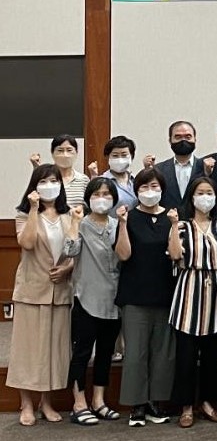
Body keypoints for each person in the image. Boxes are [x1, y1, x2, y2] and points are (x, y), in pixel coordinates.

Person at [7, 164, 75, 426]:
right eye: (44, 181)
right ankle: (25, 403)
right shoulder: (23, 215)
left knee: (53, 351)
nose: (50, 186)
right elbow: (27, 242)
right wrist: (34, 209)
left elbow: (74, 251)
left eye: (54, 181)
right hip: (32, 291)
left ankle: (46, 402)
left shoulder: (69, 215)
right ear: (34, 186)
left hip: (60, 292)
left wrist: (67, 269)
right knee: (27, 350)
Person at [114, 168, 176, 427]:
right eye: (144, 187)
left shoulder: (172, 217)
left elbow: (176, 254)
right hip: (135, 295)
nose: (150, 192)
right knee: (136, 353)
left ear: (162, 189)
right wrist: (122, 224)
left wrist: (175, 225)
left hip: (166, 294)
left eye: (154, 187)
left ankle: (156, 403)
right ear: (136, 191)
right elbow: (123, 254)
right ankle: (137, 405)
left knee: (163, 353)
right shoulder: (129, 217)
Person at [167, 177, 217, 428]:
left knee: (213, 355)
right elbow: (174, 255)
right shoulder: (182, 226)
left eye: (209, 193)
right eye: (200, 193)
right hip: (189, 292)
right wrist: (173, 226)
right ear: (192, 197)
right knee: (186, 356)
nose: (205, 197)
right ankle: (185, 406)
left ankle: (207, 402)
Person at [63, 178, 123, 425]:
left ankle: (99, 401)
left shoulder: (118, 224)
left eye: (107, 194)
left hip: (114, 300)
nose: (102, 199)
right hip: (86, 297)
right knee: (82, 352)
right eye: (97, 194)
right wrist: (74, 222)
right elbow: (69, 250)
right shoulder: (82, 224)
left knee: (106, 352)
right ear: (88, 198)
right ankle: (78, 404)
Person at [151, 121, 205, 210]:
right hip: (167, 218)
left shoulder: (205, 167)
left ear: (195, 139)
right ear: (170, 141)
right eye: (178, 137)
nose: (183, 140)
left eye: (188, 137)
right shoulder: (158, 170)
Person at [30, 134, 90, 207]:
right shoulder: (43, 178)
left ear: (76, 153)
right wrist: (37, 170)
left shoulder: (84, 180)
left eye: (69, 150)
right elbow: (33, 200)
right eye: (60, 150)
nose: (65, 155)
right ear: (52, 153)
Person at [94, 135, 138, 212]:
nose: (120, 159)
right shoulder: (101, 181)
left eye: (124, 155)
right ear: (107, 157)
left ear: (131, 156)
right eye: (115, 155)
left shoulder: (136, 180)